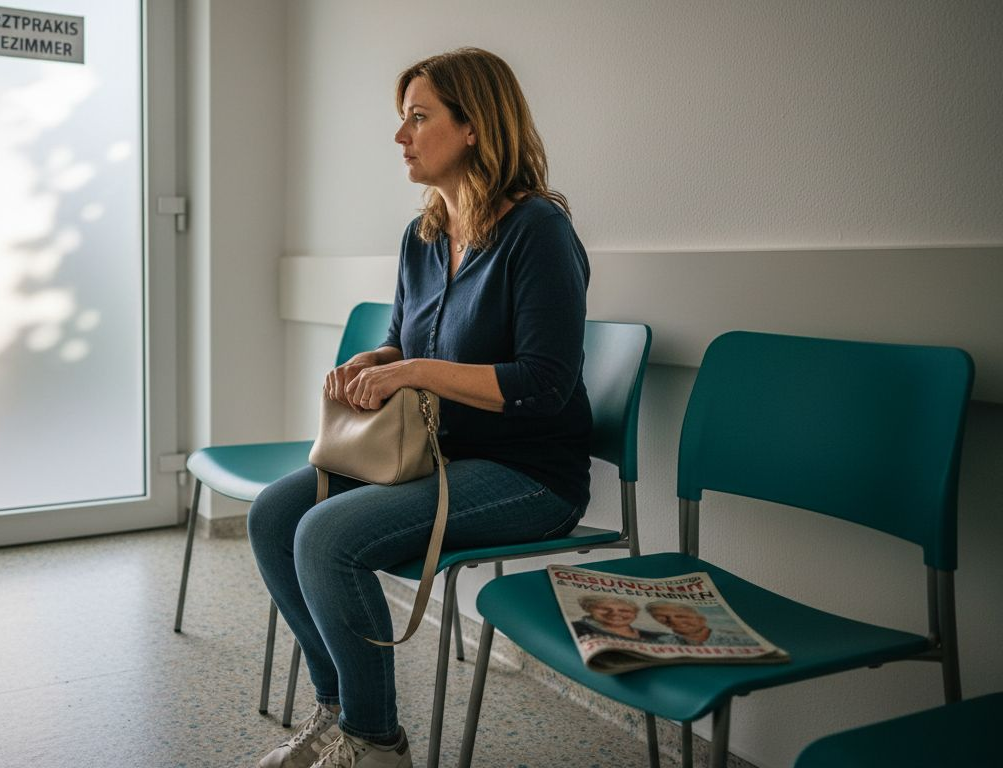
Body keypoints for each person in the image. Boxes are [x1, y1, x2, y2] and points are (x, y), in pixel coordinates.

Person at [247, 47, 593, 768]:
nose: (400, 135)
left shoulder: (538, 233)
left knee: (325, 538)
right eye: (401, 118)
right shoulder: (424, 235)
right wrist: (372, 363)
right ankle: (341, 710)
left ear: (473, 127)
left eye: (417, 117)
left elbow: (545, 382)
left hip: (527, 474)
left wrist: (413, 368)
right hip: (436, 457)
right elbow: (405, 340)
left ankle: (376, 747)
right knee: (276, 516)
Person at [644, 601, 757, 647]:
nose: (674, 621)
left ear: (701, 619)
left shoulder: (740, 640)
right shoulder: (663, 642)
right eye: (663, 619)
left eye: (681, 616)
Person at [570, 595, 667, 642]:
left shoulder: (661, 637)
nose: (615, 614)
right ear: (589, 610)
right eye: (605, 609)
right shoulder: (575, 628)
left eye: (624, 610)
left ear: (635, 614)